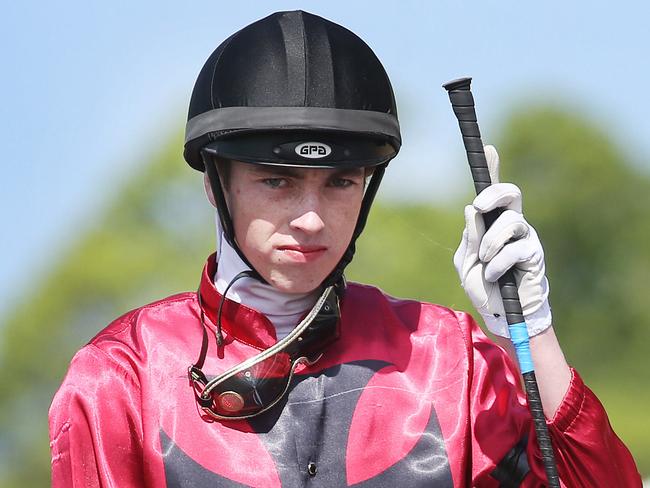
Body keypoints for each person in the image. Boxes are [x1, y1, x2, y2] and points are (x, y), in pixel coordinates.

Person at [48, 10, 641, 487]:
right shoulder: (118, 380)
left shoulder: (455, 361)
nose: (310, 219)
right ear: (213, 181)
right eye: (276, 181)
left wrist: (531, 332)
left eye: (340, 182)